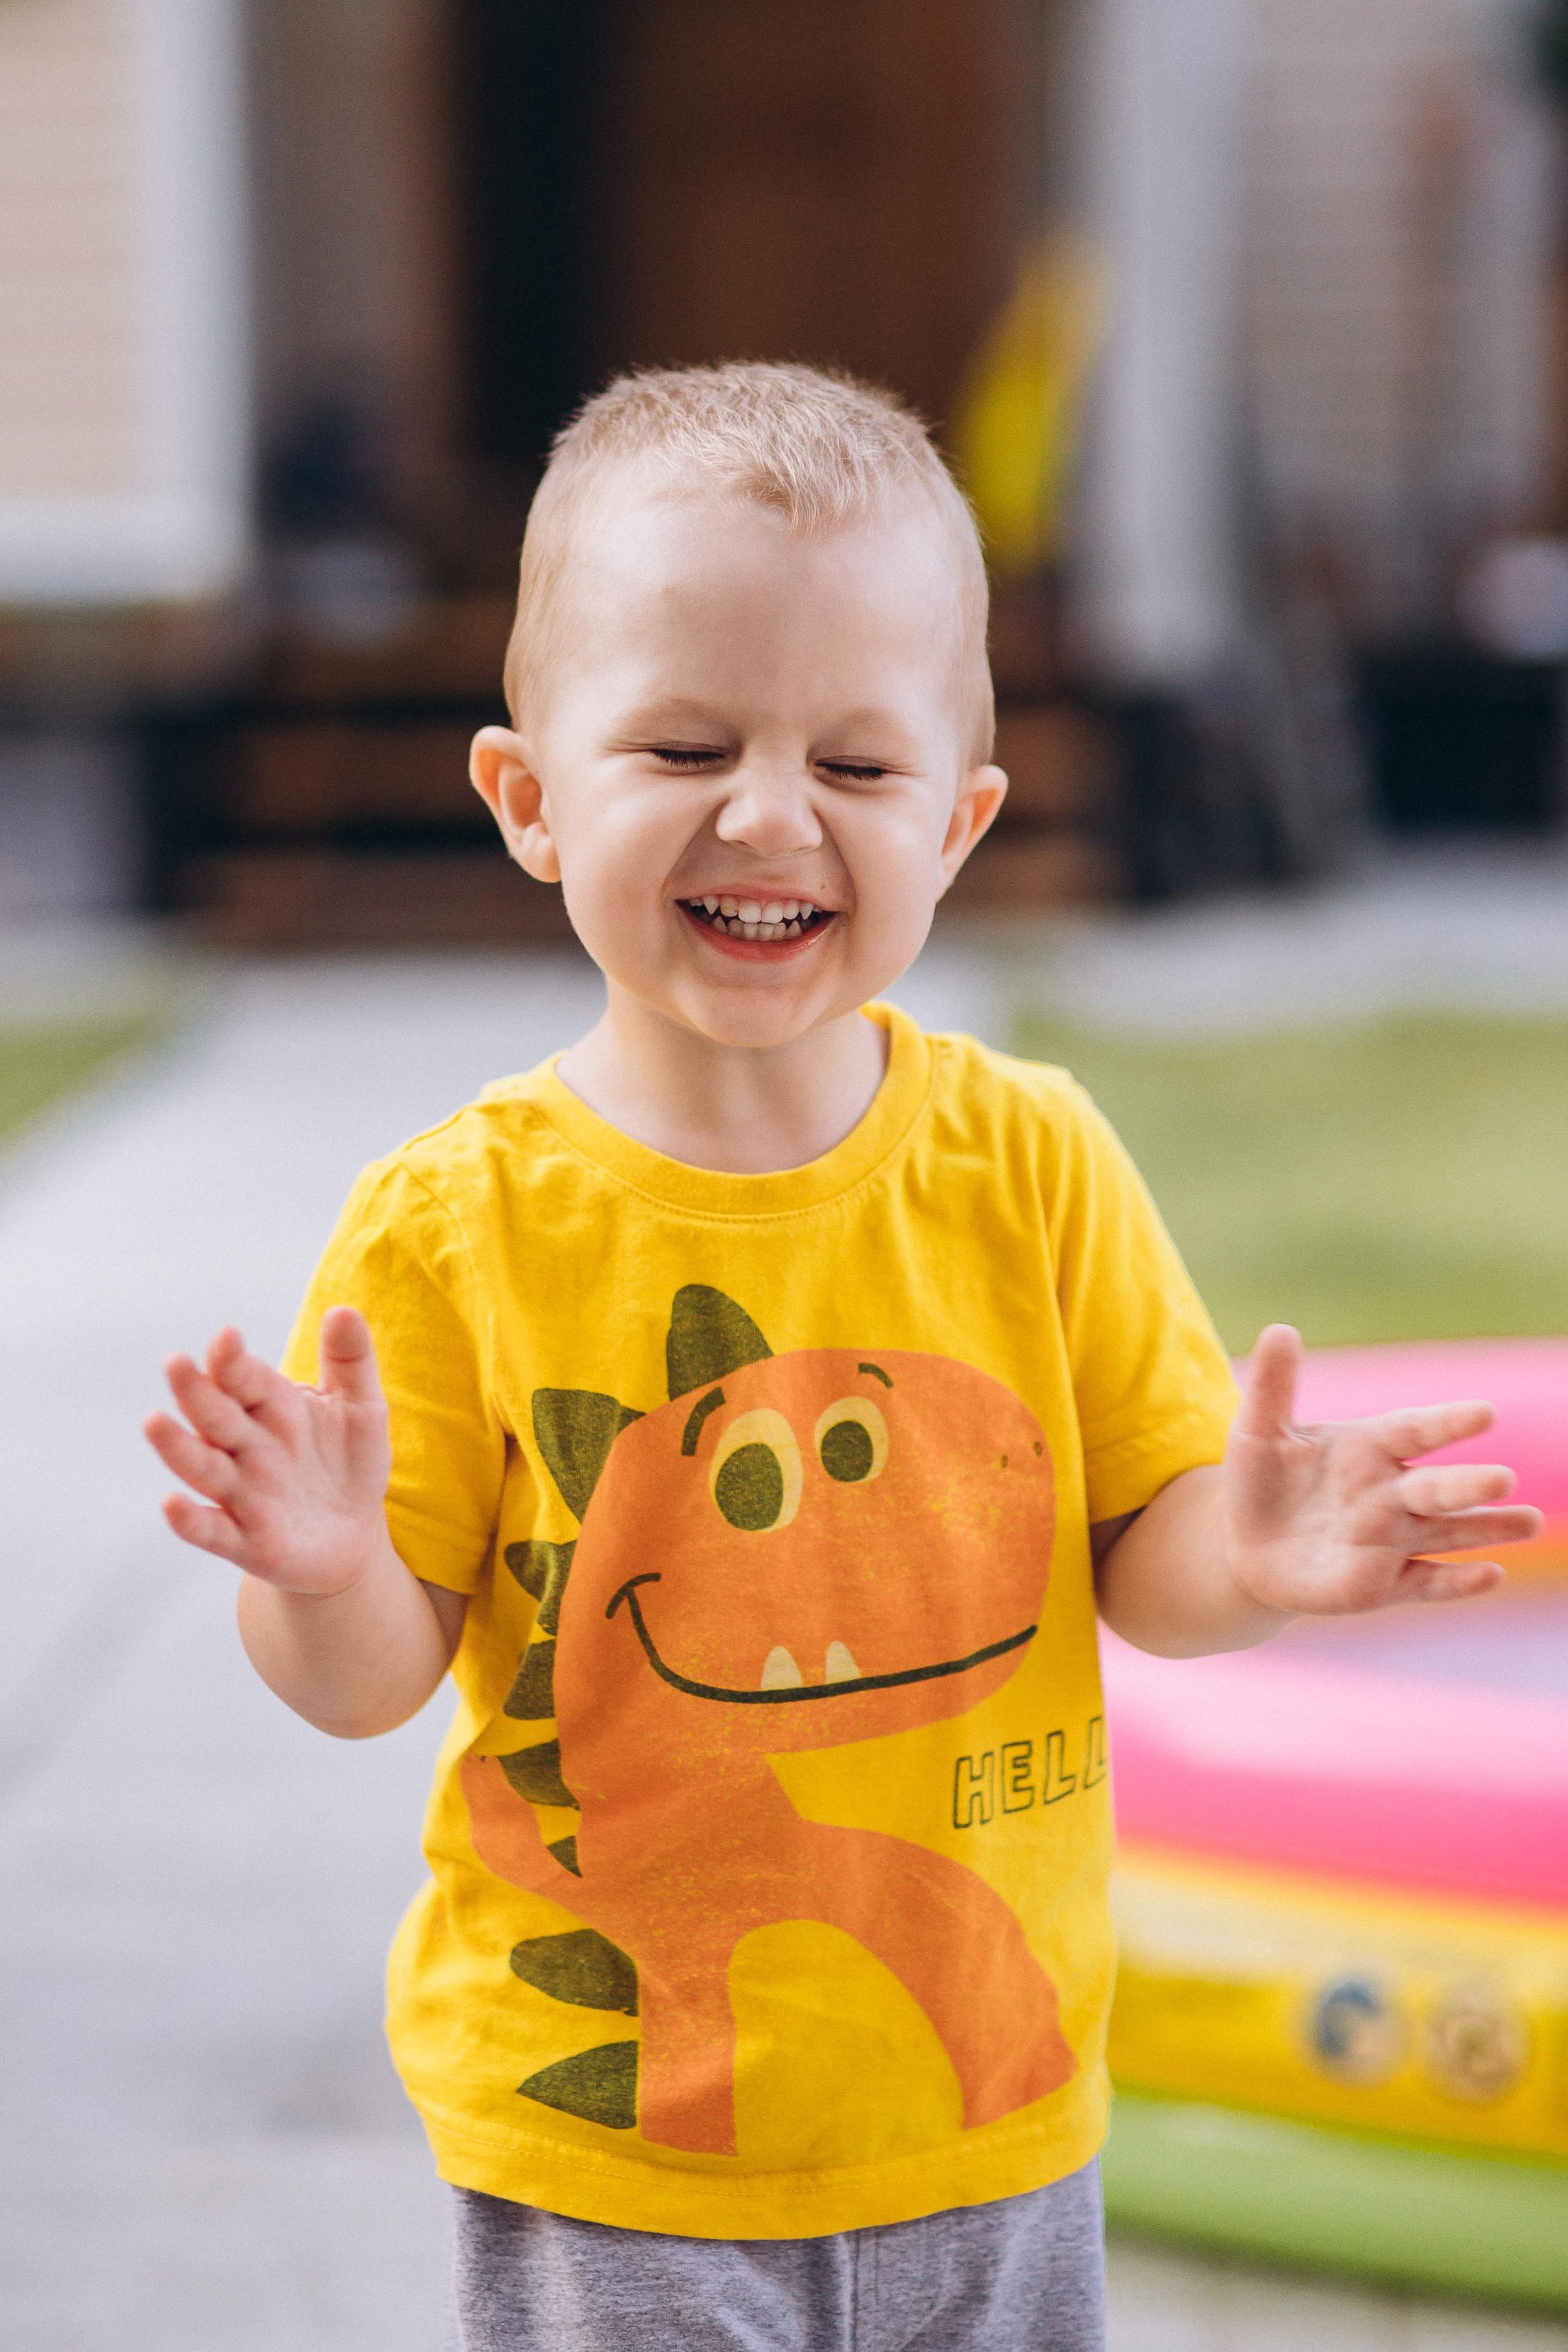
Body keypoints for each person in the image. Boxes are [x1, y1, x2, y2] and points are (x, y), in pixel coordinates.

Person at [144, 363, 1541, 2352]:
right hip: (623, 2151)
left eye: (860, 769)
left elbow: (1140, 1564)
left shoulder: (1031, 1164)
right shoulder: (453, 1231)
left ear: (961, 820)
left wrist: (1254, 1565)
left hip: (993, 2115)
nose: (773, 814)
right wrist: (319, 1571)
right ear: (531, 800)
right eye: (686, 742)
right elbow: (371, 1685)